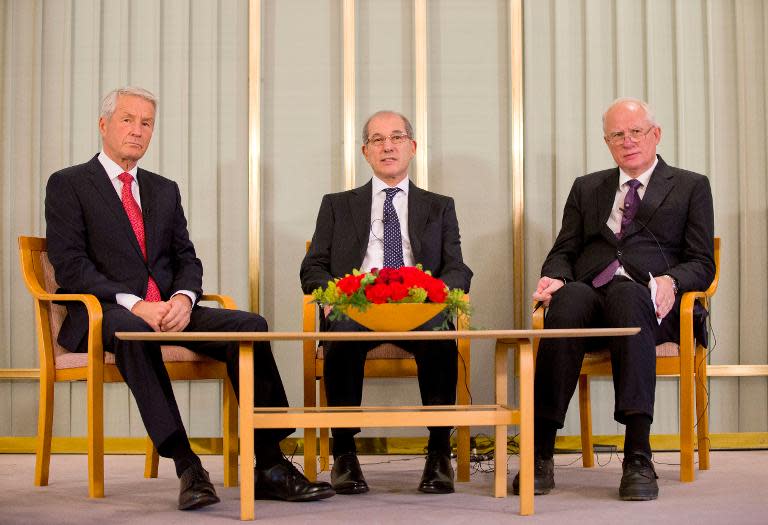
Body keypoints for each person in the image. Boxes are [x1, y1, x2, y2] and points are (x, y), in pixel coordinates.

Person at [45, 86, 335, 510]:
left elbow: (186, 257)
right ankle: (187, 465)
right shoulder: (69, 184)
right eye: (128, 120)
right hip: (107, 313)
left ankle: (270, 463)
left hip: (169, 310)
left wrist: (183, 298)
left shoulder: (164, 189)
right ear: (103, 124)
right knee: (131, 331)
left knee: (249, 325)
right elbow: (70, 265)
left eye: (147, 123)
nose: (137, 131)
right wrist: (135, 302)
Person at [513, 98, 715, 501]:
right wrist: (554, 276)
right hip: (589, 291)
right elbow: (564, 249)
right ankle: (541, 451)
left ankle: (638, 453)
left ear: (655, 134)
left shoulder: (691, 185)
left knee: (629, 297)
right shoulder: (587, 187)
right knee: (567, 303)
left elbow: (702, 262)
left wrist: (672, 282)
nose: (627, 141)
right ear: (607, 142)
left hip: (650, 300)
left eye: (636, 131)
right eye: (617, 135)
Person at [300, 111, 473, 495]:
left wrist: (437, 296)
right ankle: (344, 451)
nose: (388, 146)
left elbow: (458, 269)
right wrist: (331, 298)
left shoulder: (440, 206)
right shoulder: (337, 204)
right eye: (377, 140)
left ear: (412, 147)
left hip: (416, 305)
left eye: (396, 137)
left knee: (439, 331)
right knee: (341, 330)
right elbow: (313, 267)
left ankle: (439, 451)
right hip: (359, 305)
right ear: (365, 152)